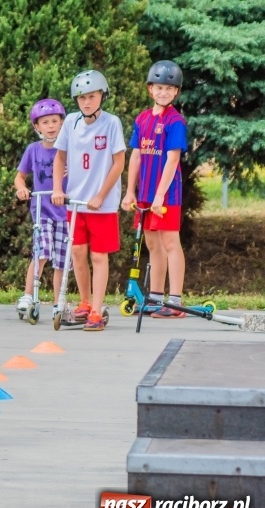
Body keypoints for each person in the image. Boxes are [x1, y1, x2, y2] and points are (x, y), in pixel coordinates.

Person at [52, 70, 127, 331]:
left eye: (92, 96)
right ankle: (84, 303)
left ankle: (97, 310)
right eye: (82, 97)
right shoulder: (71, 122)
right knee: (77, 252)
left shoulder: (111, 123)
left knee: (98, 256)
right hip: (76, 201)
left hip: (101, 205)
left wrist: (100, 195)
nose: (86, 102)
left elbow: (119, 163)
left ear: (102, 97)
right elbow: (60, 157)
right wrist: (57, 188)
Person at [121, 60, 189, 318]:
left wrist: (160, 194)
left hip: (166, 195)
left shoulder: (175, 122)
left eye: (169, 89)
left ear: (176, 92)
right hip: (145, 195)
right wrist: (130, 192)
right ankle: (157, 298)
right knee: (153, 245)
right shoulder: (142, 119)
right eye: (159, 87)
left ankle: (176, 300)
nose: (163, 92)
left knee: (171, 243)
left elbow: (172, 160)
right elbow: (136, 156)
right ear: (150, 89)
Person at [14, 99, 68, 318]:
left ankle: (59, 302)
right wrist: (21, 189)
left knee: (62, 260)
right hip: (42, 210)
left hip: (65, 213)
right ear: (37, 126)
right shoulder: (33, 150)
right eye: (45, 122)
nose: (51, 126)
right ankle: (29, 295)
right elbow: (20, 176)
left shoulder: (68, 150)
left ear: (62, 123)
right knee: (41, 252)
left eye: (55, 121)